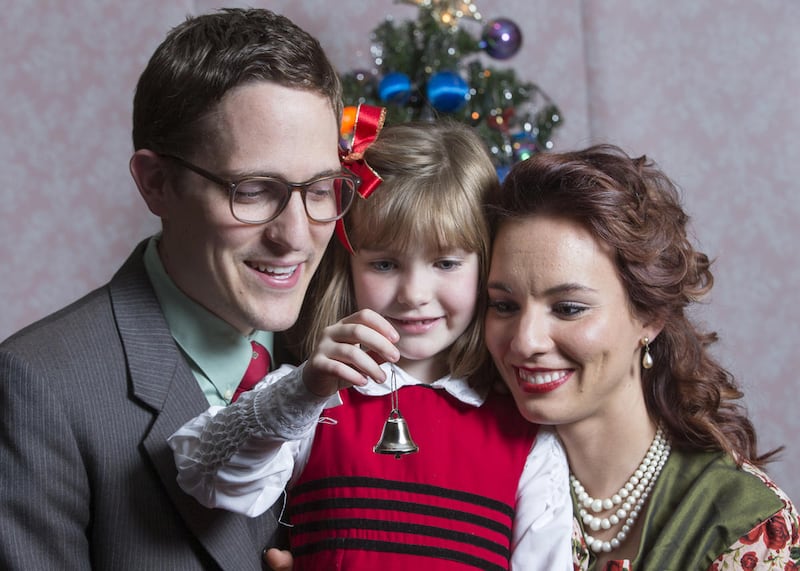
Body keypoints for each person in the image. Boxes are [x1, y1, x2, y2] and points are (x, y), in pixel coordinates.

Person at [0, 8, 352, 570]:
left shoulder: (359, 349)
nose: (295, 235)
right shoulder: (40, 389)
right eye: (253, 190)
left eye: (320, 188)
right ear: (157, 183)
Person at [169, 119, 574, 570]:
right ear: (349, 268)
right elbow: (205, 476)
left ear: (487, 267)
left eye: (445, 262)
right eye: (384, 264)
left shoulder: (525, 436)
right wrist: (305, 390)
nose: (414, 294)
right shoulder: (308, 398)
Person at [482, 144, 800, 570]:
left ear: (650, 316)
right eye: (504, 306)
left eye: (569, 308)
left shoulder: (742, 525)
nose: (525, 341)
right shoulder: (478, 471)